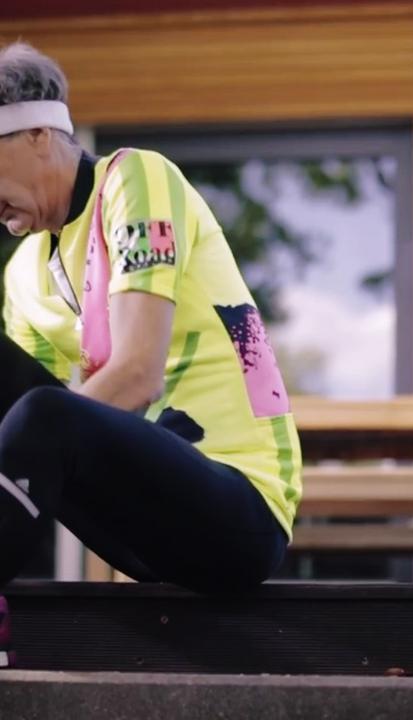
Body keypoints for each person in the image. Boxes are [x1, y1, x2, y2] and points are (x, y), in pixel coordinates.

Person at [0, 42, 302, 593]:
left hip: (239, 508)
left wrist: (42, 433)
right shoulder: (22, 274)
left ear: (38, 134)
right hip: (142, 525)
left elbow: (138, 374)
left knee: (47, 415)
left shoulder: (136, 178)